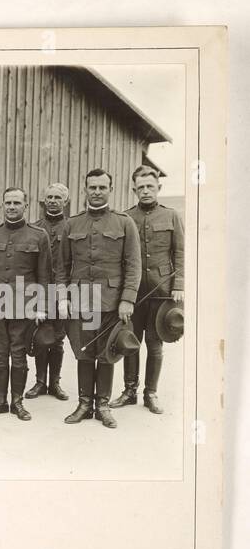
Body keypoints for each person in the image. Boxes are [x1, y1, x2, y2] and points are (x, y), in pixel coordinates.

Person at [58, 168, 141, 428]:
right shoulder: (72, 223)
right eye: (92, 187)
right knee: (84, 352)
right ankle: (84, 404)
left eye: (102, 187)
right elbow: (61, 266)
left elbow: (133, 264)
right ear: (85, 190)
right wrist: (62, 297)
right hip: (81, 300)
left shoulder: (124, 222)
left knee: (106, 353)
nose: (96, 192)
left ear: (110, 190)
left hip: (110, 301)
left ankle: (102, 405)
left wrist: (127, 299)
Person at [0, 187, 52, 421]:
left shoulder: (38, 236)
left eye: (17, 203)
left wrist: (42, 307)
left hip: (24, 306)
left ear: (26, 206)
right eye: (8, 203)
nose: (12, 207)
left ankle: (17, 402)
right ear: (2, 205)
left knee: (18, 355)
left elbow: (45, 275)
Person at [112, 165, 184, 414]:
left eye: (149, 187)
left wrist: (179, 286)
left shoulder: (172, 216)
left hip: (162, 292)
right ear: (134, 189)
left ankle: (150, 393)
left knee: (155, 344)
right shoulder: (125, 217)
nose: (145, 191)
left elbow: (181, 253)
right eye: (140, 187)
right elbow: (120, 258)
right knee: (130, 341)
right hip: (134, 294)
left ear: (158, 188)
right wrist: (123, 294)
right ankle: (129, 390)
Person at [27, 182, 72, 400]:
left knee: (58, 338)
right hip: (39, 290)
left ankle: (55, 383)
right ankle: (39, 382)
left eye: (57, 197)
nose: (53, 201)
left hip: (64, 291)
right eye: (49, 197)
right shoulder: (34, 228)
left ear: (66, 202)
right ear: (44, 201)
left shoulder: (71, 227)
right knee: (40, 336)